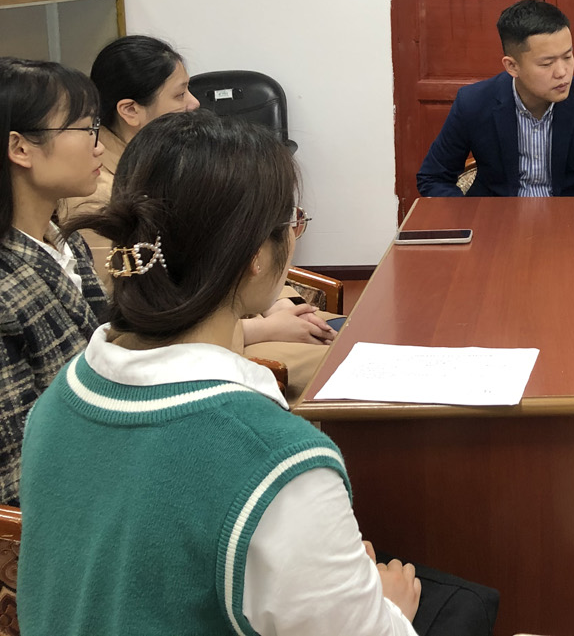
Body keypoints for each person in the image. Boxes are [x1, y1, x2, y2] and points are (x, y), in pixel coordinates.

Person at [26, 111, 497, 635]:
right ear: (255, 255)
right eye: (293, 222)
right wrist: (390, 607)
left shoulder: (61, 396)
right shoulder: (279, 462)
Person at [80, 35, 334, 401]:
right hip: (197, 344)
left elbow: (243, 240)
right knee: (335, 367)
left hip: (235, 312)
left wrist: (280, 303)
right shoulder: (104, 196)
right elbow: (140, 312)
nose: (194, 103)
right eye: (179, 94)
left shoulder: (172, 161)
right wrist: (264, 326)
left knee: (343, 338)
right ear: (130, 110)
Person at [0, 57, 109, 503]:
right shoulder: (5, 287)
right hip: (65, 503)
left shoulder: (65, 240)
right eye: (87, 129)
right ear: (21, 148)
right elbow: (17, 474)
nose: (99, 147)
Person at [416, 1, 574, 197]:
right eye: (547, 63)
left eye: (568, 56)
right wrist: (474, 220)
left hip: (572, 224)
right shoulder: (474, 102)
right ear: (512, 66)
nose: (562, 72)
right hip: (497, 223)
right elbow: (433, 178)